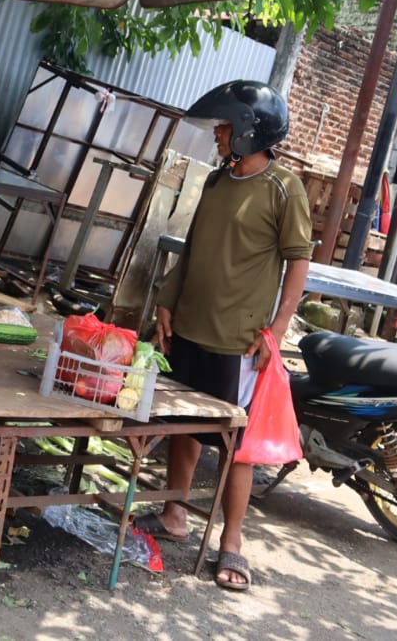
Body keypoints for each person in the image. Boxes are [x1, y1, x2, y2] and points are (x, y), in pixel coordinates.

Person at [140, 80, 312, 593]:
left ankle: (231, 543)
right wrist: (166, 302)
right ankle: (175, 514)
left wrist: (277, 330)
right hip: (189, 325)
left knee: (236, 445)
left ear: (247, 131)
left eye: (223, 127)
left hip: (239, 339)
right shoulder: (217, 182)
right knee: (183, 430)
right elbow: (191, 248)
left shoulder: (285, 188)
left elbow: (298, 262)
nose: (217, 135)